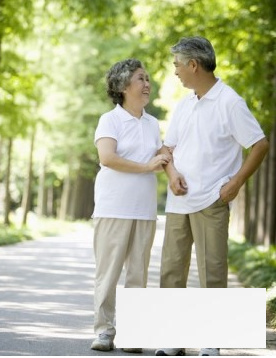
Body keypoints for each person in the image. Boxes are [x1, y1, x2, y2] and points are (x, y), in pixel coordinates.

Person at [155, 36, 269, 357]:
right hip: (179, 201)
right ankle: (172, 338)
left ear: (194, 65)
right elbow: (168, 148)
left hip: (211, 201)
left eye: (178, 64)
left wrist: (236, 183)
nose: (175, 71)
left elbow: (259, 144)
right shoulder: (185, 103)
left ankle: (211, 341)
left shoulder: (230, 102)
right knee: (171, 270)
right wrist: (172, 173)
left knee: (213, 270)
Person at [91, 58, 170, 353]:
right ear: (124, 86)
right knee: (108, 274)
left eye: (148, 78)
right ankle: (103, 331)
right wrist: (147, 166)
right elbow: (107, 158)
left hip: (145, 210)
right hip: (113, 208)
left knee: (138, 275)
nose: (147, 84)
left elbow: (162, 157)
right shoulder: (109, 120)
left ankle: (133, 333)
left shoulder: (152, 123)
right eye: (141, 78)